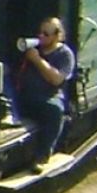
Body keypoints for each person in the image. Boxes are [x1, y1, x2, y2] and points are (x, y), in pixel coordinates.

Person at [16, 17, 75, 171]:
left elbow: (56, 79)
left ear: (57, 36)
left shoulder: (64, 54)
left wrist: (37, 60)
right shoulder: (34, 48)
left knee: (55, 112)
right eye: (40, 33)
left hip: (47, 98)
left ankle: (42, 156)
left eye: (46, 34)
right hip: (25, 97)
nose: (41, 36)